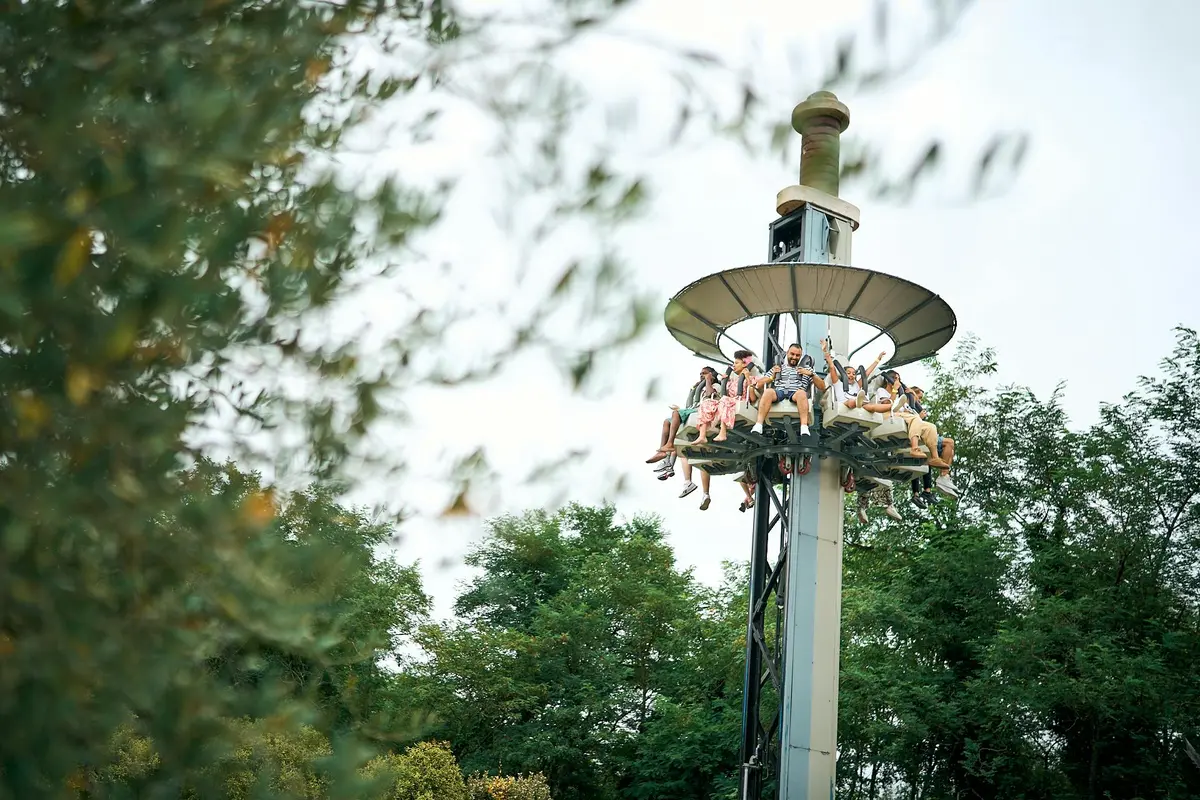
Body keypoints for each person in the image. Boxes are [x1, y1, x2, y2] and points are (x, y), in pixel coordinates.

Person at [749, 343, 825, 437]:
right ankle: (759, 424)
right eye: (792, 354)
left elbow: (822, 386)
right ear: (787, 353)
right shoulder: (778, 368)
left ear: (801, 356)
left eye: (797, 355)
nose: (794, 357)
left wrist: (811, 375)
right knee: (768, 392)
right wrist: (772, 377)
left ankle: (804, 427)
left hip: (796, 392)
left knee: (802, 393)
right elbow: (759, 384)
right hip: (779, 391)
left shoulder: (807, 369)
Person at [647, 366, 719, 463]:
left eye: (704, 373)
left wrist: (708, 381)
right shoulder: (700, 388)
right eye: (701, 374)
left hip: (706, 409)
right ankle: (662, 451)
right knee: (667, 421)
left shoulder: (715, 386)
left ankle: (670, 443)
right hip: (695, 409)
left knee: (676, 413)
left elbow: (710, 394)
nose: (702, 375)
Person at [692, 350, 759, 444]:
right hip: (727, 402)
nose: (734, 365)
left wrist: (747, 378)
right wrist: (723, 381)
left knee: (725, 400)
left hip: (741, 401)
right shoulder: (732, 381)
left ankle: (722, 432)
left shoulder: (751, 379)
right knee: (706, 403)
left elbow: (753, 398)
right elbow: (722, 393)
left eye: (736, 363)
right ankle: (702, 435)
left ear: (744, 364)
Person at [903, 386, 958, 499]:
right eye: (919, 397)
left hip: (925, 436)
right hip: (920, 438)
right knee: (949, 443)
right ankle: (943, 476)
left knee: (950, 452)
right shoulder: (906, 406)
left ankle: (944, 476)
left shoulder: (913, 408)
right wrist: (919, 416)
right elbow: (912, 423)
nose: (920, 401)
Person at [821, 340, 887, 411]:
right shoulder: (838, 383)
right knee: (851, 402)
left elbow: (867, 373)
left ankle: (892, 406)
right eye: (848, 373)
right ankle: (859, 402)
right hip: (844, 405)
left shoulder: (856, 385)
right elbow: (832, 367)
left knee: (872, 407)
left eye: (854, 374)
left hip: (859, 405)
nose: (852, 375)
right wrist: (825, 351)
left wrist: (878, 360)